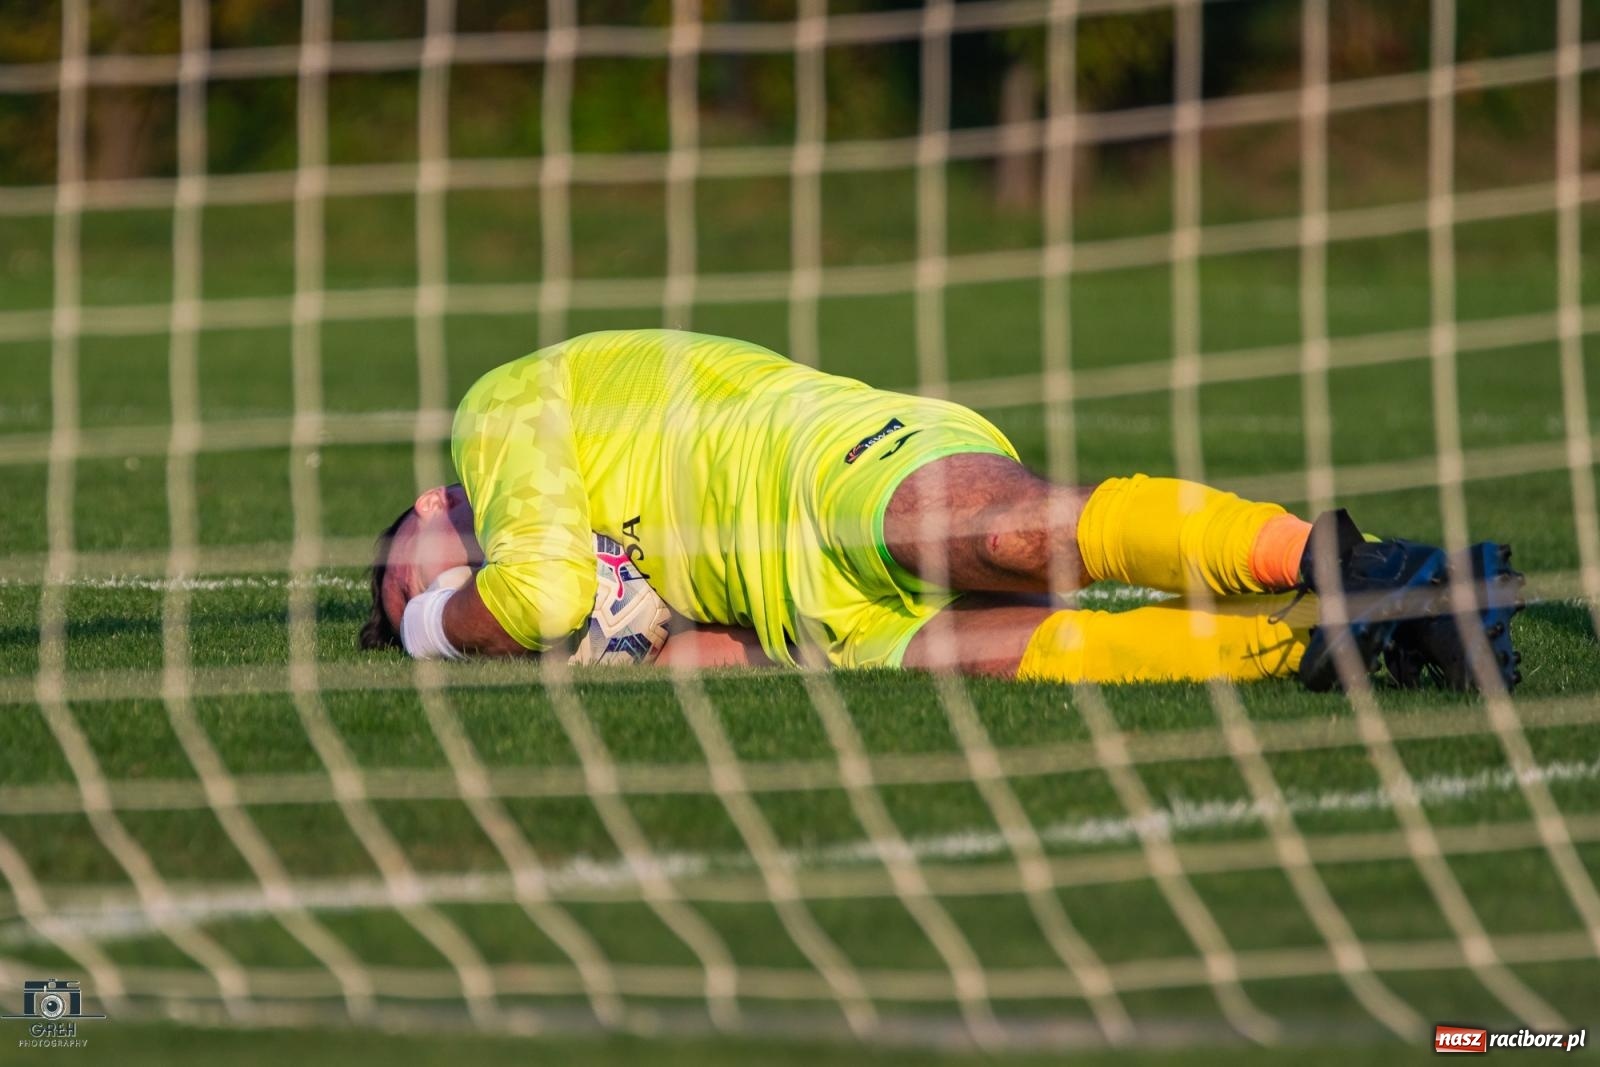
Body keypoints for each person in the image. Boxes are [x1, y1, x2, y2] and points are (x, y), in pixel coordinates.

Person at [359, 329, 1522, 691]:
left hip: (822, 460)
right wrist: (644, 651)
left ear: (425, 510)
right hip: (817, 618)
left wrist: (430, 626)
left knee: (994, 534)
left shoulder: (498, 411)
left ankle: (1341, 556)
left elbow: (540, 590)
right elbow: (703, 651)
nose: (439, 594)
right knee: (1012, 657)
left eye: (412, 577)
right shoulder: (580, 567)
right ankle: (1349, 636)